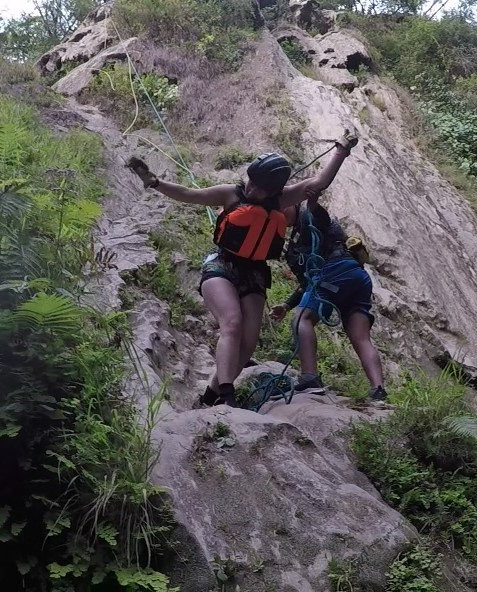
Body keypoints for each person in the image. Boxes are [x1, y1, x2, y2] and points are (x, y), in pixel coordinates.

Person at [125, 131, 358, 406]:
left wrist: (342, 150)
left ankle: (211, 396)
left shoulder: (281, 199)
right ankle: (227, 395)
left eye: (258, 186)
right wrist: (155, 182)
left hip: (255, 273)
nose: (251, 187)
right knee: (232, 322)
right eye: (251, 180)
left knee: (247, 344)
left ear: (272, 191)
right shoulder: (230, 193)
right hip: (223, 265)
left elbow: (319, 182)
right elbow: (189, 194)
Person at [270, 195, 387, 401]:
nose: (279, 214)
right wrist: (287, 305)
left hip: (334, 271)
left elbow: (319, 214)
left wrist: (313, 199)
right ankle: (378, 389)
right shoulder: (295, 240)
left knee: (302, 319)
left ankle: (309, 378)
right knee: (360, 336)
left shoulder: (309, 215)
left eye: (281, 208)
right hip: (356, 277)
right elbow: (307, 283)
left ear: (292, 203)